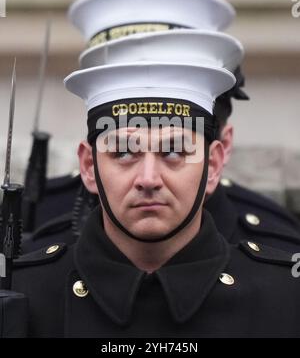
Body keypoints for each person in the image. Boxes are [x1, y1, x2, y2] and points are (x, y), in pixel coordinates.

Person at [7, 62, 300, 338]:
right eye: (123, 152)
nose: (148, 179)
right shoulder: (22, 294)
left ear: (212, 165)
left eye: (174, 152)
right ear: (88, 167)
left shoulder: (285, 298)